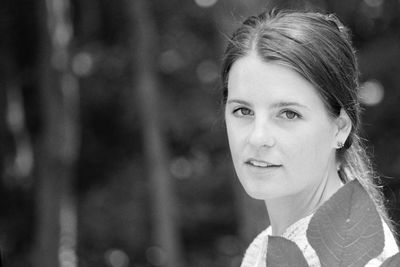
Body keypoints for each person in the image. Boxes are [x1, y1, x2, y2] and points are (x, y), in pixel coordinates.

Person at [221, 9, 399, 267]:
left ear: (340, 128)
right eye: (243, 111)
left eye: (288, 114)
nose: (257, 137)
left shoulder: (354, 260)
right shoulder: (262, 249)